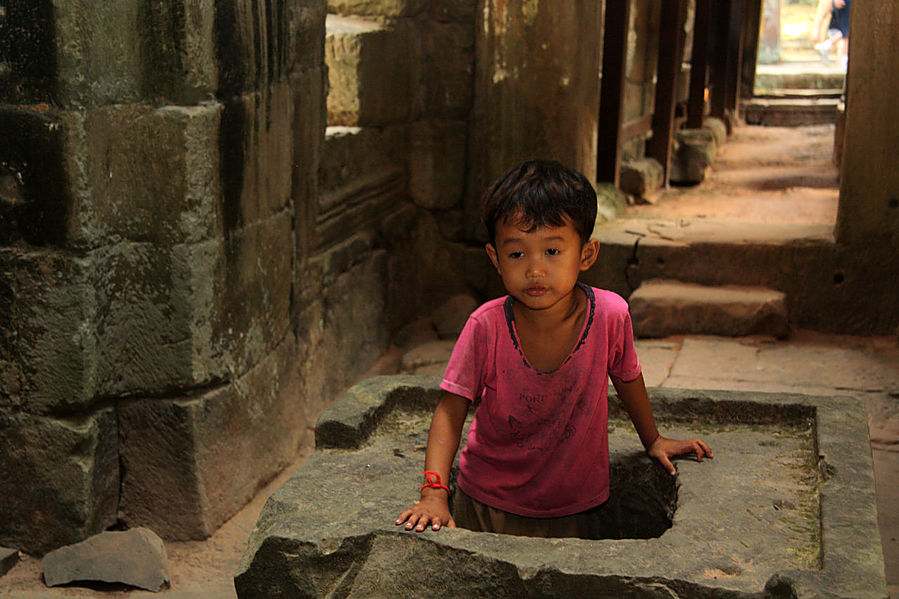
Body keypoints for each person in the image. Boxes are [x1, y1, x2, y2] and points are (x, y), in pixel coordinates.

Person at [394, 159, 712, 538]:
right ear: (495, 258)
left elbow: (628, 378)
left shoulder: (610, 316)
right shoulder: (486, 326)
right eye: (517, 254)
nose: (534, 270)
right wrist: (434, 492)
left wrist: (654, 440)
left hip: (576, 505)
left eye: (552, 251)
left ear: (587, 254)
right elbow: (450, 410)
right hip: (486, 503)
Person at [814, 0, 851, 67]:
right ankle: (827, 46)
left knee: (844, 43)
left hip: (844, 33)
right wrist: (817, 32)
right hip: (836, 30)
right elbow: (822, 14)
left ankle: (827, 45)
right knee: (842, 46)